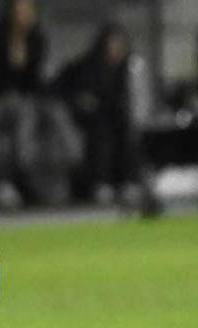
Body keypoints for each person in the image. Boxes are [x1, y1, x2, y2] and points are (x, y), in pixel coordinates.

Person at [0, 0, 80, 208]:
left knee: (46, 113)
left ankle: (69, 159)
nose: (25, 14)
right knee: (19, 113)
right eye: (20, 9)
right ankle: (20, 168)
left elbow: (36, 80)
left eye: (29, 9)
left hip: (28, 99)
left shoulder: (37, 39)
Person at [52, 22, 159, 212]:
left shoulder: (130, 68)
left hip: (119, 120)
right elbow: (64, 89)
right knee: (102, 135)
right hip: (90, 121)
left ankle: (128, 182)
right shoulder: (86, 66)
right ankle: (101, 183)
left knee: (126, 132)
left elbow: (135, 100)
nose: (116, 49)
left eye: (120, 44)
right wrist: (80, 101)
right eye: (112, 43)